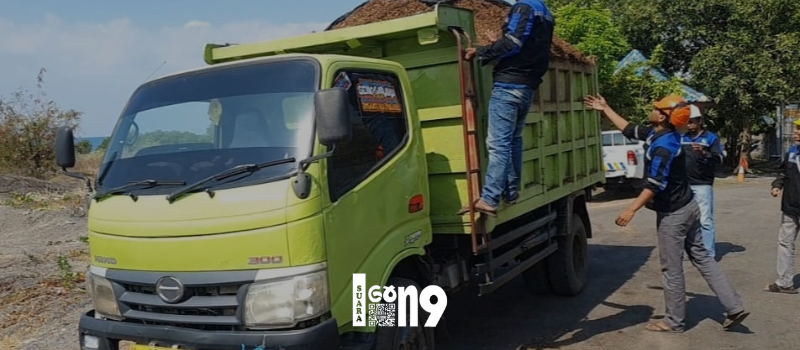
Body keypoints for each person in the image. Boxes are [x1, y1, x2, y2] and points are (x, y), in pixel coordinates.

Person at [584, 93, 749, 332]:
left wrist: (631, 210)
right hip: (688, 205)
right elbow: (630, 129)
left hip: (675, 214)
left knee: (671, 268)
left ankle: (674, 321)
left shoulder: (664, 146)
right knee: (702, 257)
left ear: (664, 117)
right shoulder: (661, 134)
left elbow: (654, 184)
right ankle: (734, 306)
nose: (652, 109)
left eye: (656, 108)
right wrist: (605, 108)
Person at [458, 0, 555, 217]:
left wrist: (482, 51)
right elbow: (525, 46)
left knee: (498, 144)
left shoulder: (523, 8)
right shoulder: (546, 13)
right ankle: (511, 192)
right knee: (513, 141)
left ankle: (489, 198)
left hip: (508, 86)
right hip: (527, 86)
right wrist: (497, 43)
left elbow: (513, 44)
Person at [681, 105, 725, 260]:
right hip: (684, 185)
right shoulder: (682, 138)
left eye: (692, 121)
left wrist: (704, 153)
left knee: (705, 220)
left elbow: (719, 159)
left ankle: (708, 254)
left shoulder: (711, 138)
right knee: (685, 219)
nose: (689, 124)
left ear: (700, 121)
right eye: (687, 122)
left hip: (702, 184)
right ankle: (690, 252)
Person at [764, 119, 800, 294]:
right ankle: (784, 282)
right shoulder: (792, 152)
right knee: (785, 243)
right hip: (790, 206)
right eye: (797, 128)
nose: (796, 132)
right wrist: (777, 185)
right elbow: (783, 172)